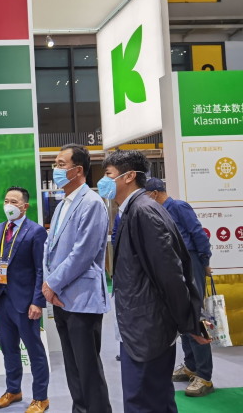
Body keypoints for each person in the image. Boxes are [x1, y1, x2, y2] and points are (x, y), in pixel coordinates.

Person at [99, 150, 209, 413]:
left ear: (129, 176)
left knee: (143, 400)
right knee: (152, 399)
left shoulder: (143, 212)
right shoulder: (133, 210)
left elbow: (169, 274)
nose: (104, 181)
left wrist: (188, 321)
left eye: (109, 175)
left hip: (147, 328)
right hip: (140, 325)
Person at [42, 143, 112, 413]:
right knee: (73, 368)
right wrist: (49, 284)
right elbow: (50, 248)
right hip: (61, 298)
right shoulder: (63, 204)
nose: (56, 169)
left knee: (88, 369)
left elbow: (82, 254)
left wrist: (52, 283)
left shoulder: (92, 203)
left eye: (61, 164)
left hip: (82, 300)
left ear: (78, 170)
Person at [0, 187, 50, 413]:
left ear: (25, 206)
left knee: (34, 351)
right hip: (2, 300)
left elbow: (41, 269)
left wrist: (38, 301)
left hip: (26, 302)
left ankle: (40, 398)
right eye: (6, 201)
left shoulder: (36, 231)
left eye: (14, 202)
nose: (8, 205)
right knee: (8, 349)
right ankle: (13, 390)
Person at [144, 177, 214, 397]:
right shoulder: (158, 212)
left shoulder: (179, 207)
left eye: (146, 195)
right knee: (181, 313)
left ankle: (204, 375)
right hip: (175, 264)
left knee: (195, 314)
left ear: (155, 193)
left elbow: (198, 233)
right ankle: (191, 365)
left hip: (191, 261)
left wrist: (205, 261)